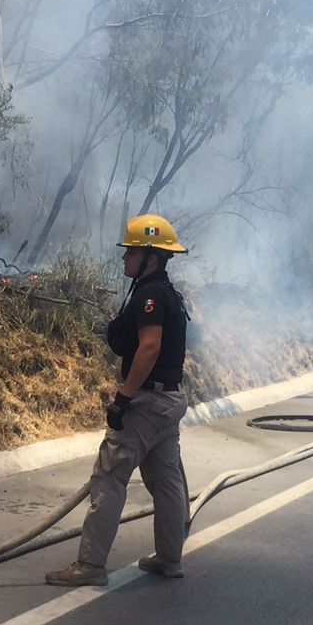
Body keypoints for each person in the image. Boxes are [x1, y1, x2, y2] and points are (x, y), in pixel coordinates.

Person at [45, 214, 192, 587]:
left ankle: (90, 566)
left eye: (130, 253)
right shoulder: (168, 293)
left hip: (146, 402)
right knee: (166, 479)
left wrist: (124, 398)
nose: (124, 258)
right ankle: (170, 558)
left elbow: (149, 346)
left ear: (150, 256)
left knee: (109, 476)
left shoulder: (149, 295)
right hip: (169, 399)